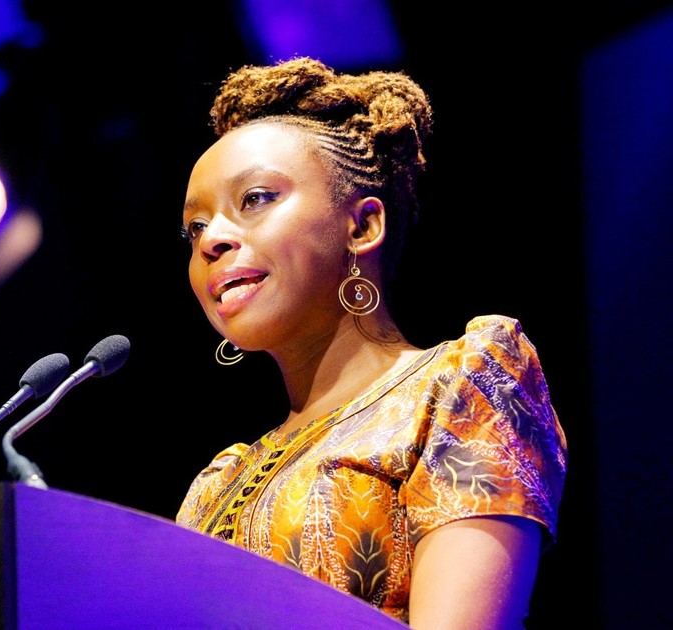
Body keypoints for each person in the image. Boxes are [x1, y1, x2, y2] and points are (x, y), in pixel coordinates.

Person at [174, 56, 568, 629]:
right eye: (195, 227)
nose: (213, 239)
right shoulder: (217, 484)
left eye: (255, 198)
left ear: (361, 226)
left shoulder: (458, 388)